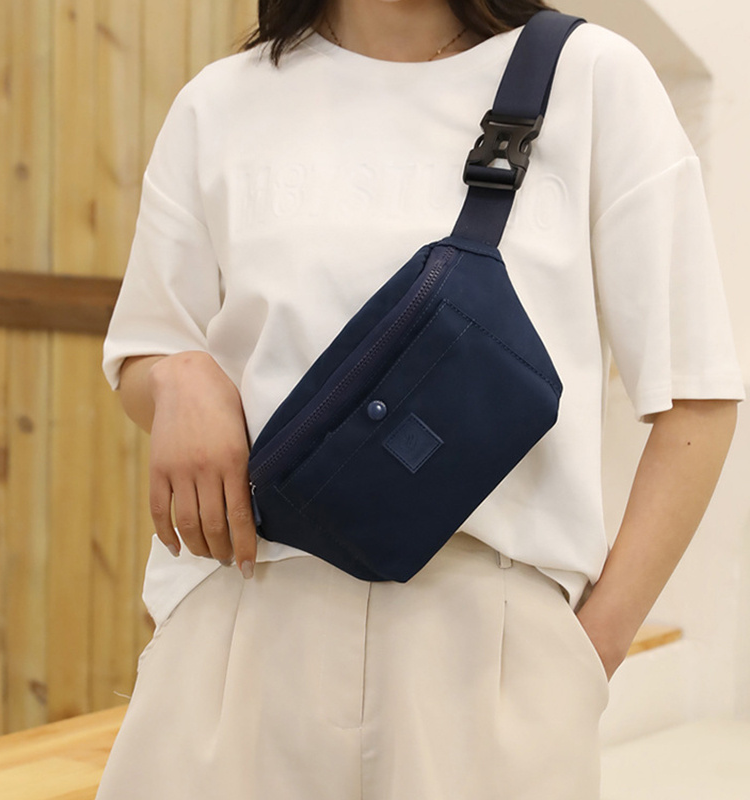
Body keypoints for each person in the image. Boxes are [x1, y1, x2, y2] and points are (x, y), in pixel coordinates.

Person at [96, 1, 744, 798]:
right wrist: (177, 376)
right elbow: (144, 348)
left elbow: (696, 396)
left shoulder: (595, 81)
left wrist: (586, 655)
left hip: (489, 654)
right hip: (242, 621)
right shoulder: (219, 102)